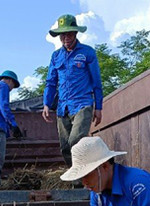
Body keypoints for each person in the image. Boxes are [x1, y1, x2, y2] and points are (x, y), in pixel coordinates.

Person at [42, 14, 103, 167]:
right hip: (63, 108)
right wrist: (46, 104)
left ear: (76, 33)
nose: (66, 38)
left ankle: (86, 175)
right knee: (65, 147)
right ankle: (78, 181)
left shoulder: (87, 53)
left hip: (83, 104)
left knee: (75, 141)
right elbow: (51, 82)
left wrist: (99, 107)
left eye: (69, 34)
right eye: (63, 34)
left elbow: (96, 81)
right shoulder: (56, 56)